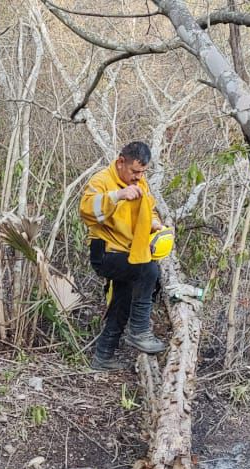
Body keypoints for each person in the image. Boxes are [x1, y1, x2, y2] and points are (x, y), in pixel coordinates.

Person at [80, 141, 170, 371]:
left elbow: (148, 209)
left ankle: (103, 357)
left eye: (143, 172)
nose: (138, 177)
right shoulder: (101, 180)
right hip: (106, 253)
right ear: (121, 162)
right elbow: (86, 209)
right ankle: (139, 331)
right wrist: (118, 195)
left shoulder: (140, 183)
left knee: (124, 301)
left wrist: (155, 224)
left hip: (128, 252)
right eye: (135, 171)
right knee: (148, 270)